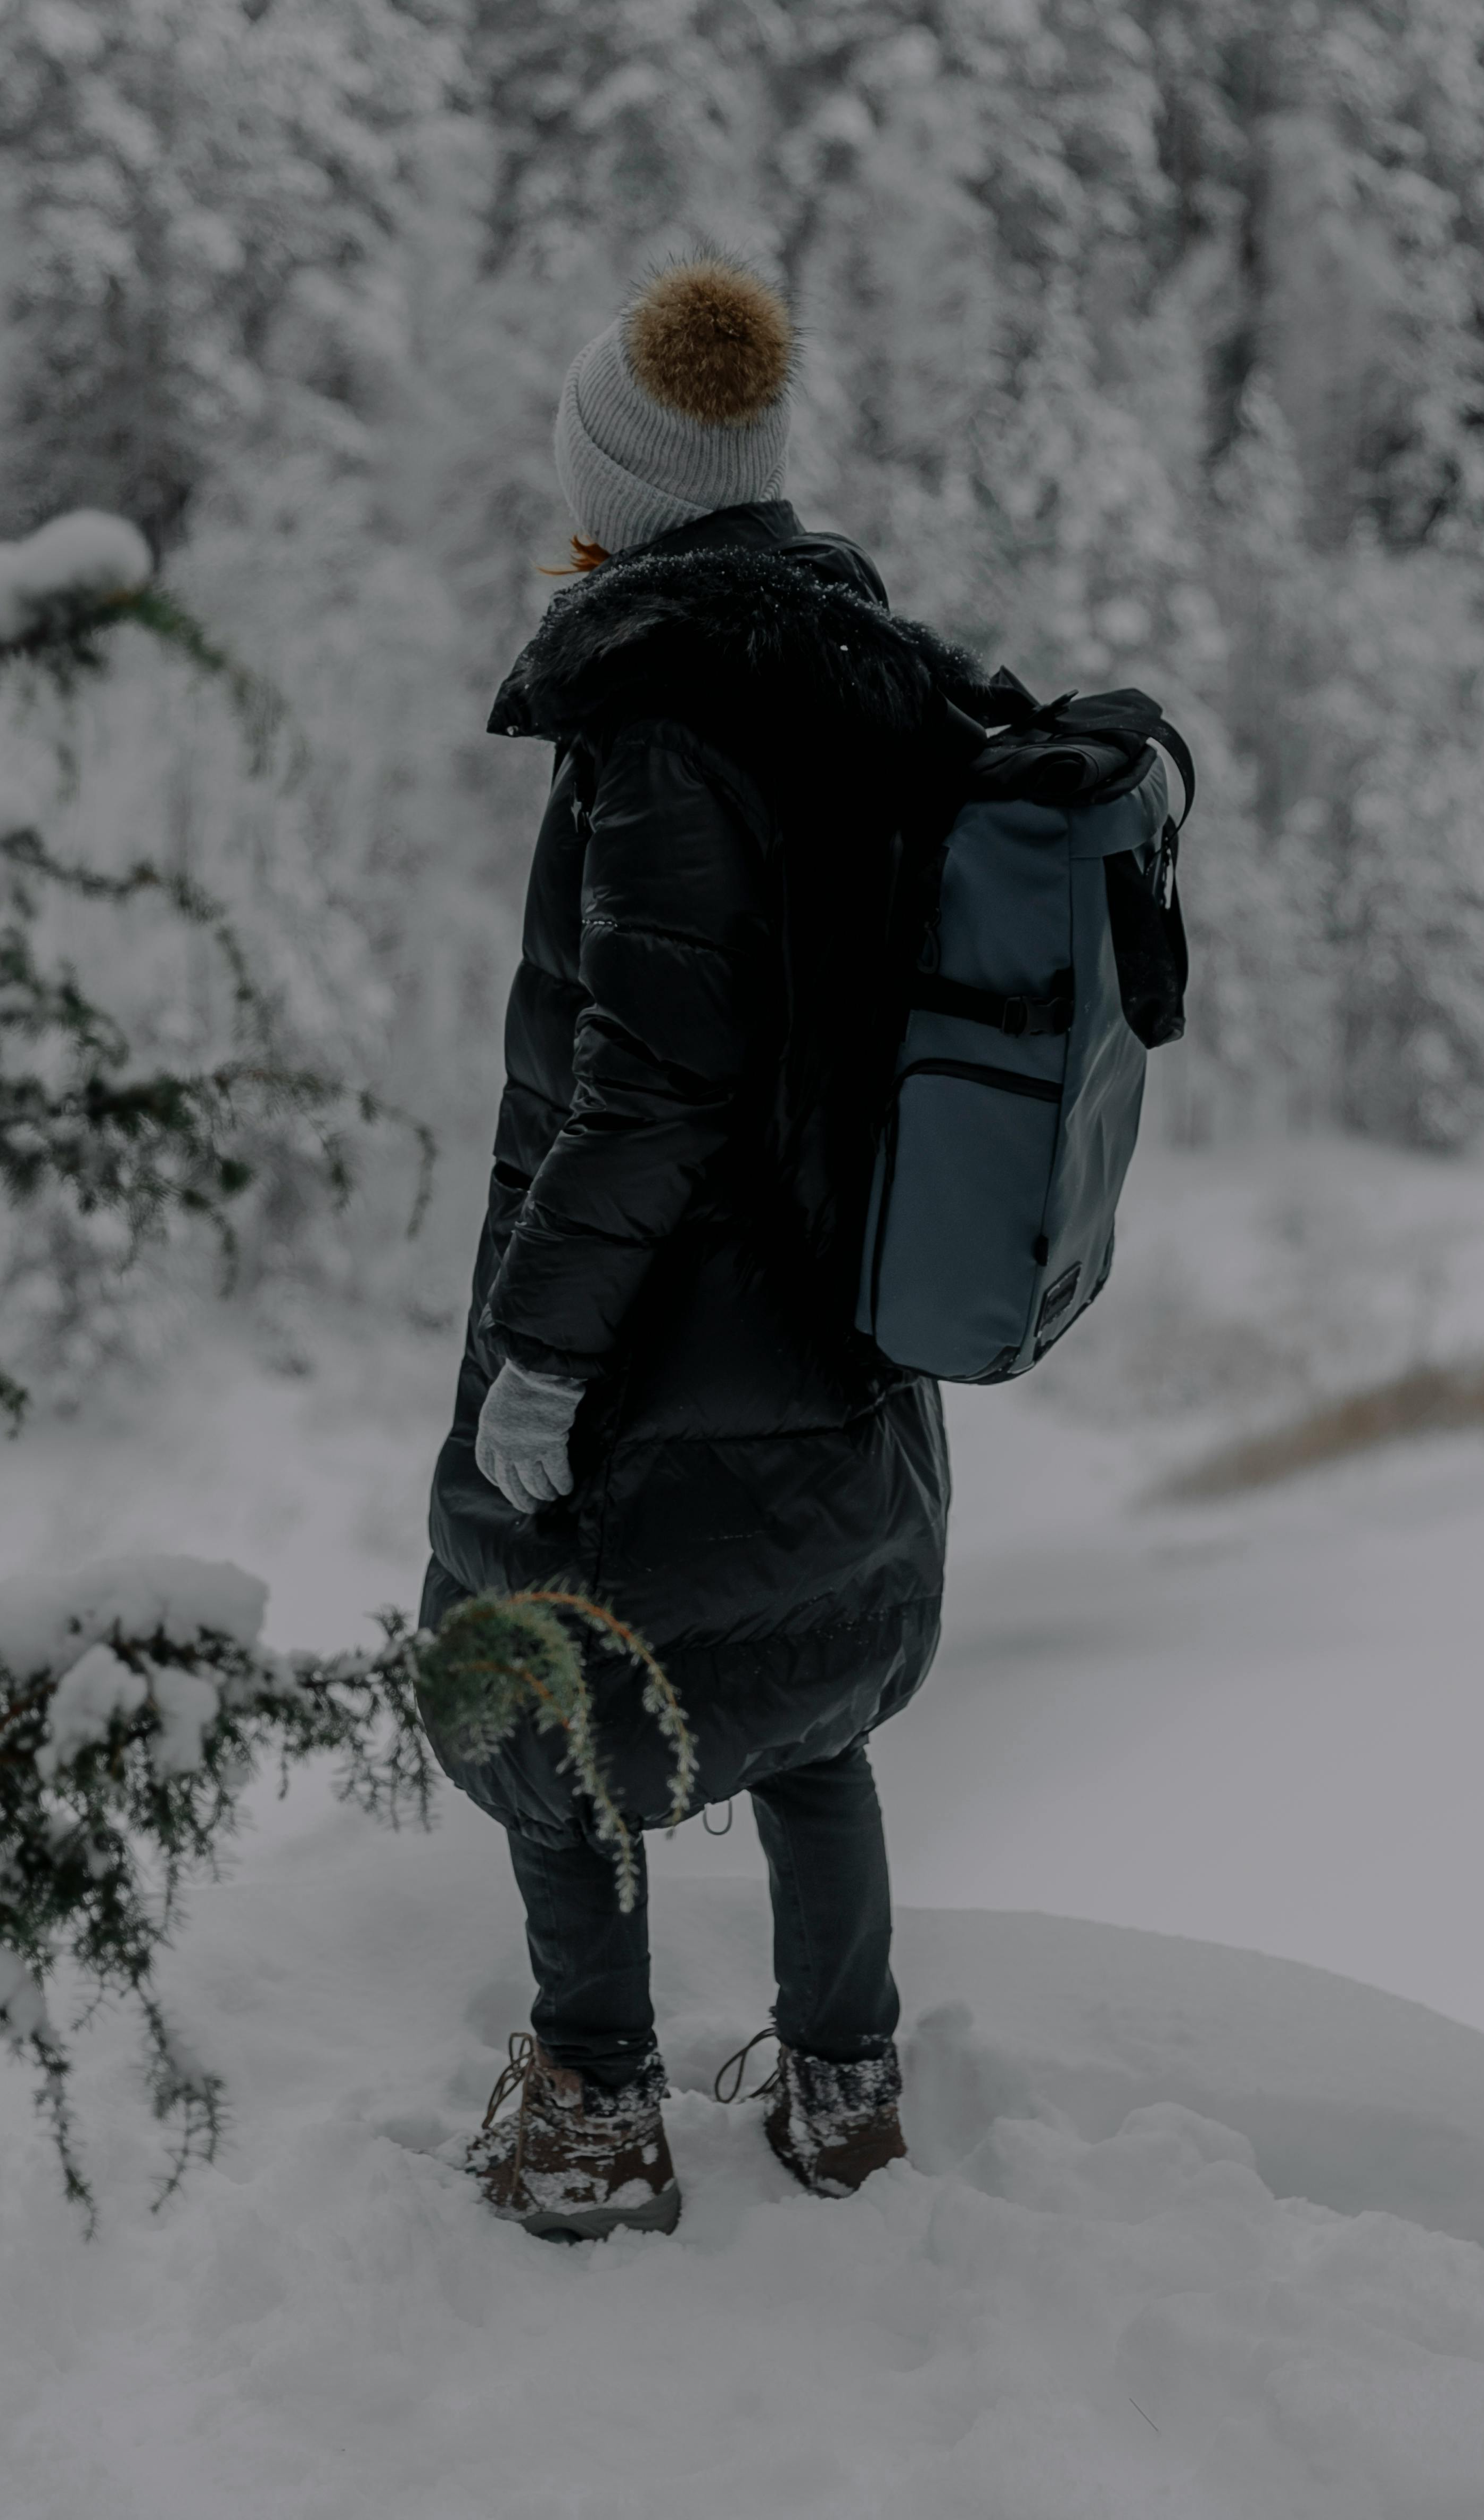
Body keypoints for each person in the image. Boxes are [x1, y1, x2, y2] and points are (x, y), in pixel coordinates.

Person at [420, 255, 985, 2240]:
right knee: (808, 1691)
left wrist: (544, 1355)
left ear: (624, 488)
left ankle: (591, 2111)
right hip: (847, 1327)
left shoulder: (661, 723)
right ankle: (847, 2096)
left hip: (669, 1340)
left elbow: (651, 1078)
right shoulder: (873, 678)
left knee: (549, 1698)